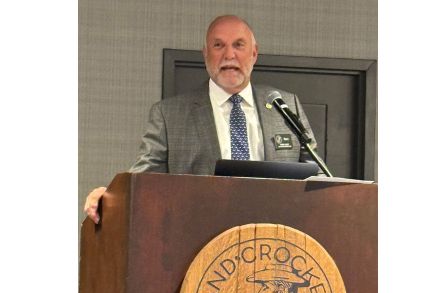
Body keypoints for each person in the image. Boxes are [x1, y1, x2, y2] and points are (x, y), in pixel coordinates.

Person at [84, 15, 318, 223]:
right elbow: (142, 179)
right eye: (218, 45)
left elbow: (315, 173)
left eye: (238, 45)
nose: (229, 54)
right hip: (198, 239)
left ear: (254, 53)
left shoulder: (285, 106)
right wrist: (110, 196)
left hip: (277, 237)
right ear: (205, 54)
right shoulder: (169, 115)